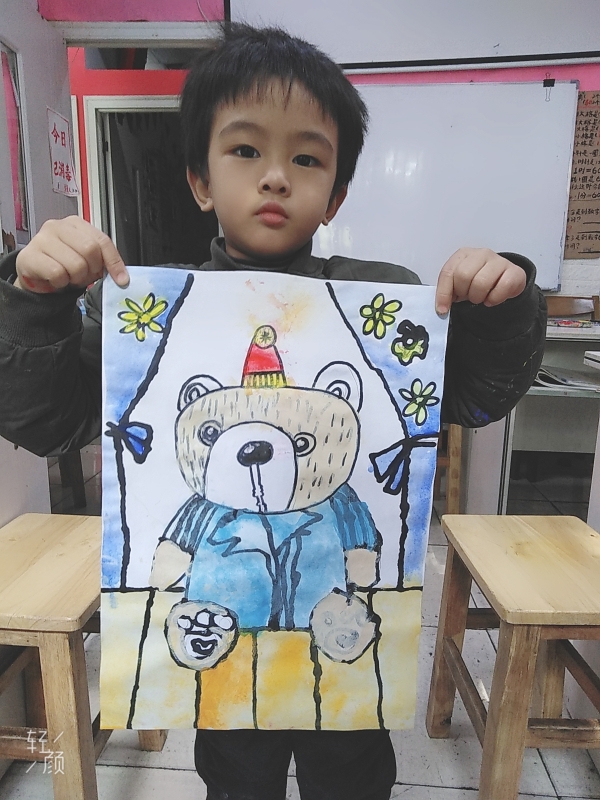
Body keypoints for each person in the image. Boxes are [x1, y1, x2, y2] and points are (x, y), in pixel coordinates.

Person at [0, 22, 545, 800]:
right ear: (200, 180)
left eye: (308, 158)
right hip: (227, 656)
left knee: (352, 777)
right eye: (246, 149)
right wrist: (35, 302)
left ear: (337, 194)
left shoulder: (386, 300)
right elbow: (45, 420)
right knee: (236, 774)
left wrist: (500, 305)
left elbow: (481, 394)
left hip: (345, 662)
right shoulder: (150, 314)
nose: (277, 177)